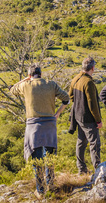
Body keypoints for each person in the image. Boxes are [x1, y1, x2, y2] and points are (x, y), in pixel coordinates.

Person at [10, 65, 70, 199]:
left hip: (33, 126)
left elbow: (12, 89)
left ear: (30, 75)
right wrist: (58, 113)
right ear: (41, 74)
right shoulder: (51, 84)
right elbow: (66, 99)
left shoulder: (26, 85)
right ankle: (51, 185)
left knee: (37, 158)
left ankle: (41, 190)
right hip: (49, 124)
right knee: (49, 156)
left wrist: (25, 79)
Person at [68, 57, 102, 175]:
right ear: (92, 68)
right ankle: (98, 169)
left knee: (81, 142)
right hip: (88, 118)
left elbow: (70, 96)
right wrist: (98, 120)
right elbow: (93, 104)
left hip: (78, 116)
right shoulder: (88, 82)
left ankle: (81, 169)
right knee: (95, 143)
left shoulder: (75, 79)